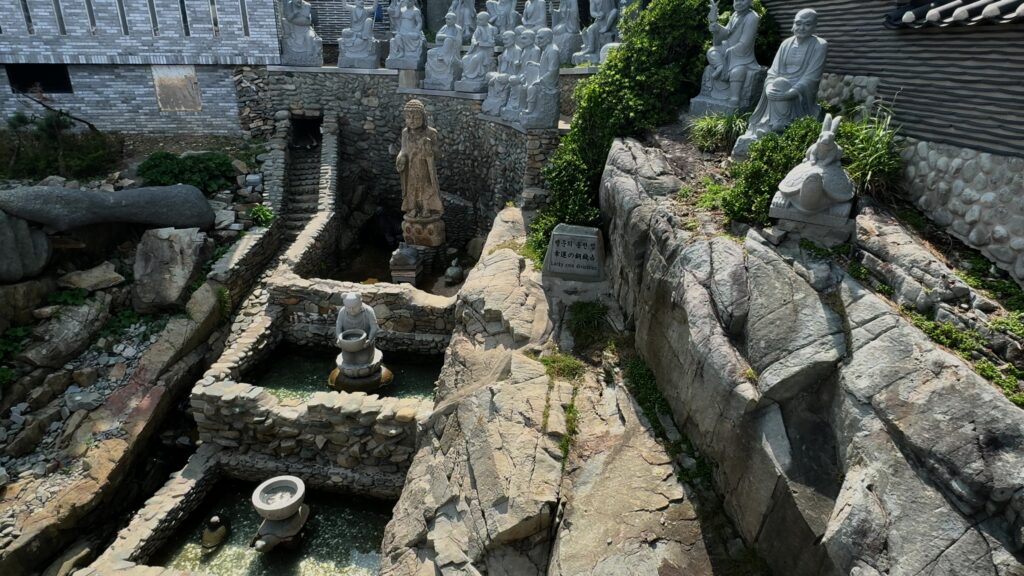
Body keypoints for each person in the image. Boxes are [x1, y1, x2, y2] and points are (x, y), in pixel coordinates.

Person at [733, 8, 827, 156]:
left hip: (800, 93)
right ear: (793, 24)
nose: (801, 28)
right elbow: (773, 72)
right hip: (779, 88)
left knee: (781, 83)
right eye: (798, 23)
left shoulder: (819, 45)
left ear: (815, 26)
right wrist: (769, 85)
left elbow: (811, 77)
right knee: (778, 82)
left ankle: (780, 126)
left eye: (807, 24)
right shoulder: (786, 44)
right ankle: (772, 124)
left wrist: (792, 91)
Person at [703, 0, 760, 108]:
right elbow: (727, 33)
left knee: (737, 71)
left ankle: (735, 97)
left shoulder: (752, 17)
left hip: (742, 54)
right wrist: (717, 27)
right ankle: (720, 66)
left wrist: (730, 51)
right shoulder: (735, 14)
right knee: (711, 51)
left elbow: (745, 42)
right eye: (736, 0)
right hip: (728, 48)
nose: (739, 3)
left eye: (743, 0)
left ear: (750, 1)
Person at [396, 100, 443, 218]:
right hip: (411, 167)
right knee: (412, 188)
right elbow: (403, 149)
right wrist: (400, 157)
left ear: (423, 118)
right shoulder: (405, 133)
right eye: (408, 117)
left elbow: (438, 155)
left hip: (425, 166)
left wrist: (429, 148)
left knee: (426, 187)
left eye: (416, 118)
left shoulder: (431, 133)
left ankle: (427, 208)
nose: (412, 121)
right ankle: (413, 208)